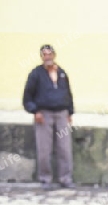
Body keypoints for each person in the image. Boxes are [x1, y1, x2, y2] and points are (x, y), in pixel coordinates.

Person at [23, 44, 75, 190]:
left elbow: (68, 93)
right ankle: (45, 179)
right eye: (44, 54)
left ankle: (65, 178)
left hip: (61, 114)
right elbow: (27, 96)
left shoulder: (62, 73)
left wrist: (70, 112)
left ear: (54, 55)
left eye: (49, 54)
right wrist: (35, 111)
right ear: (41, 56)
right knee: (44, 149)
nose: (47, 57)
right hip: (43, 115)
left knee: (64, 148)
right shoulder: (36, 74)